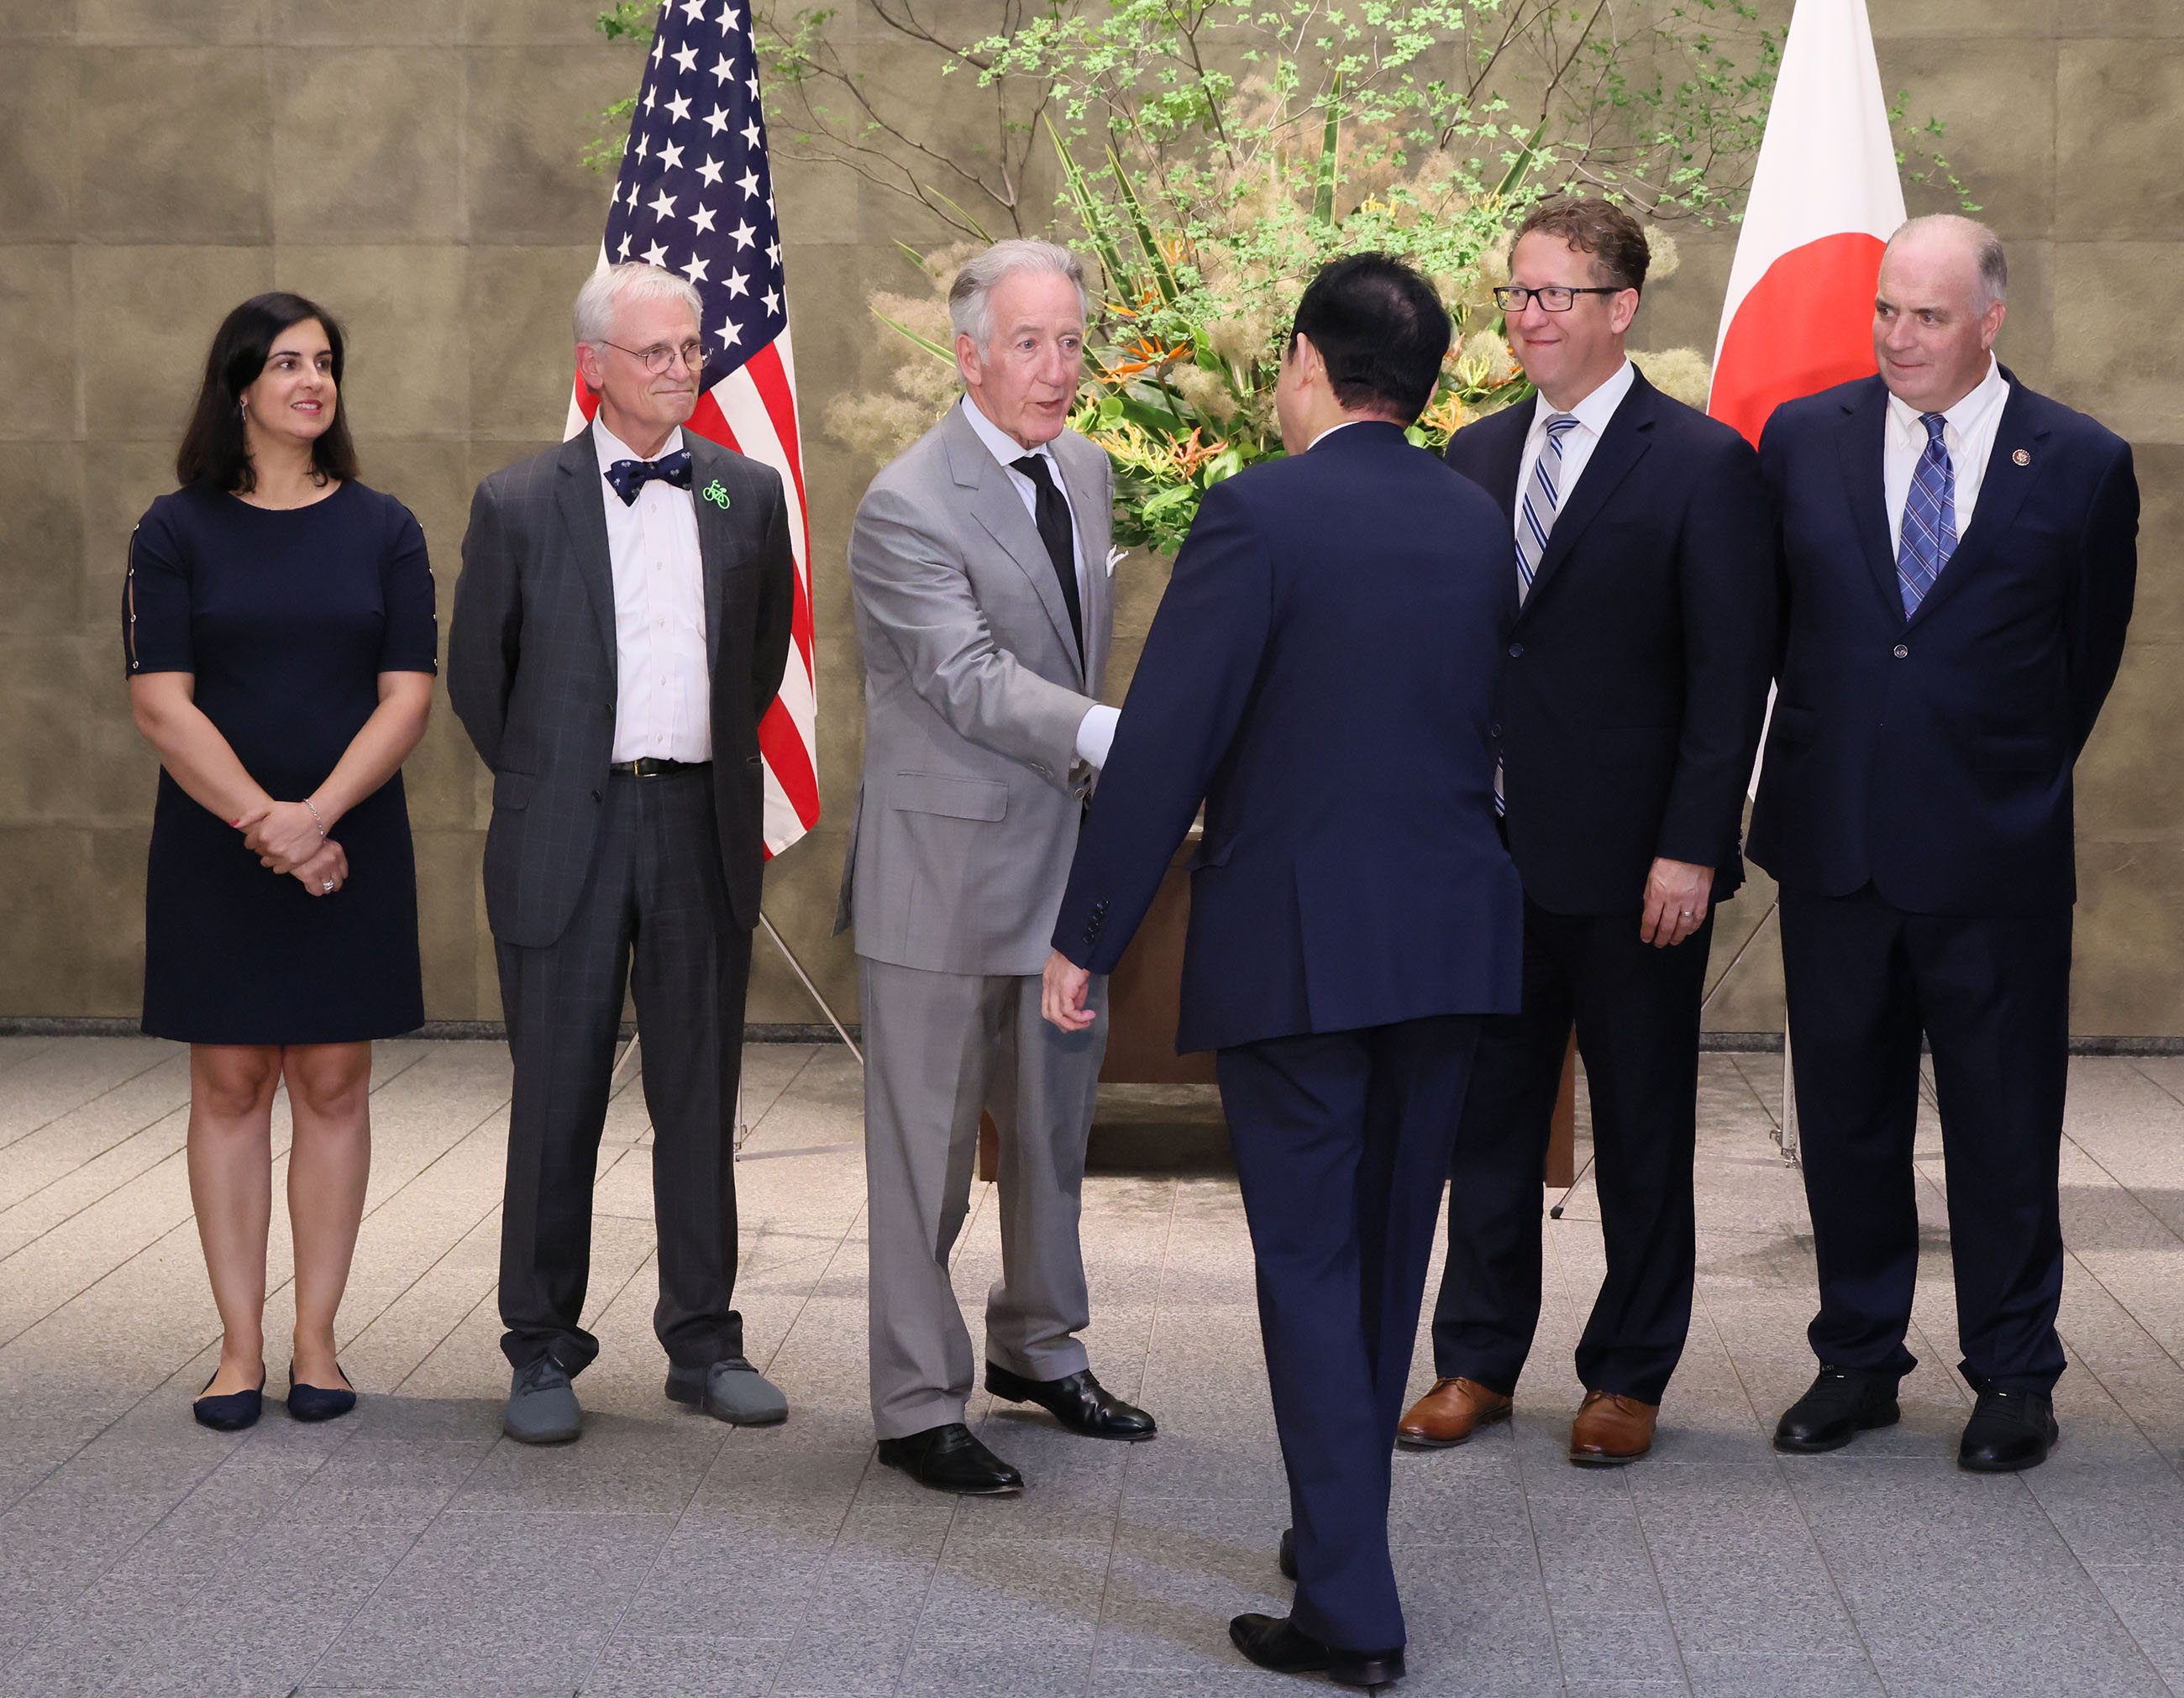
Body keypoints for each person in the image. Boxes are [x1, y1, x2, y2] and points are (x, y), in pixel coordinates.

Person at [1044, 254, 1520, 1688]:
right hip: (1448, 938)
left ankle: (1353, 1614)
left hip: (1303, 947)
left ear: (1307, 359)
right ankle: (1335, 1532)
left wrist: (1088, 931)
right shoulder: (1475, 517)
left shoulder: (1259, 511)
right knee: (1384, 1254)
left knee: (1309, 1262)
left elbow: (1168, 739)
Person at [1753, 215, 2137, 1473]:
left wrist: (1996, 775)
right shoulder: (1802, 440)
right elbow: (1774, 629)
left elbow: (2083, 660)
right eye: (1886, 310)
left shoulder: (2081, 462)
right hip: (1837, 847)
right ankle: (1858, 1359)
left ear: (1991, 322)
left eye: (1928, 316)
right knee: (1846, 1118)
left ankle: (2014, 1373)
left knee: (2003, 1124)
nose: (1899, 337)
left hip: (1994, 853)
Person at [1400, 200, 1776, 1466]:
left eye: (1555, 294)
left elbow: (1729, 676)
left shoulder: (1704, 464)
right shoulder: (1473, 453)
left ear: (1622, 308)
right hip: (1490, 859)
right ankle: (1475, 1360)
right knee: (1487, 1124)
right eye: (1517, 292)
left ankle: (1627, 1374)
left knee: (1643, 1125)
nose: (1528, 316)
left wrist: (1692, 844)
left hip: (1635, 868)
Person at [449, 262, 796, 1444]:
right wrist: (558, 778)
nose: (680, 368)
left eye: (690, 348)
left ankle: (704, 1342)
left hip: (699, 826)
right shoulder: (517, 502)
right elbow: (480, 679)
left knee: (700, 1094)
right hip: (570, 832)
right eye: (655, 352)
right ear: (592, 365)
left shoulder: (745, 494)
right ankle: (542, 1348)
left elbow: (756, 663)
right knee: (557, 1098)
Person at [835, 238, 1155, 1499]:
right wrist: (1116, 735)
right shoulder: (905, 503)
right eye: (1030, 343)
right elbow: (966, 678)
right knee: (925, 1160)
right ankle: (918, 1403)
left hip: (1064, 870)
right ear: (968, 355)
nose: (1058, 367)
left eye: (1071, 341)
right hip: (941, 881)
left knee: (1052, 1134)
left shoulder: (1088, 468)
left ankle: (1039, 1345)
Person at [126, 293, 437, 1432]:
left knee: (335, 1081)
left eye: (326, 362)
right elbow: (161, 704)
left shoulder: (385, 528)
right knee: (231, 1084)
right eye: (289, 362)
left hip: (352, 841)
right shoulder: (174, 531)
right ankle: (237, 1349)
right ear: (240, 386)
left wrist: (319, 819)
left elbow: (408, 697)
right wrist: (270, 823)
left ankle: (316, 1342)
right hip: (219, 847)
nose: (313, 380)